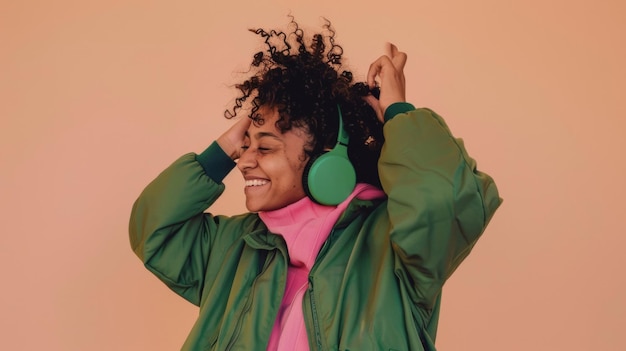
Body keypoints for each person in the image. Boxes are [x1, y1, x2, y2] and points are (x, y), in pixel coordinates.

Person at [129, 18, 502, 351]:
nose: (244, 161)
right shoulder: (234, 247)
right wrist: (223, 148)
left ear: (326, 160)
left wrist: (398, 113)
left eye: (266, 147)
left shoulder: (392, 246)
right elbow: (156, 231)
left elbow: (444, 200)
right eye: (245, 146)